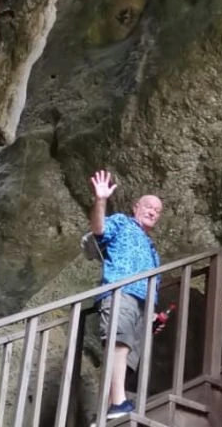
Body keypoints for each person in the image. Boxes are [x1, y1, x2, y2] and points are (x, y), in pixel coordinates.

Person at [88, 169, 162, 419]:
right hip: (121, 292)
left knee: (129, 356)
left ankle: (110, 408)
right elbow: (99, 229)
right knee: (119, 343)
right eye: (148, 206)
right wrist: (101, 200)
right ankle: (118, 403)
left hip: (143, 304)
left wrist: (152, 312)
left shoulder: (152, 250)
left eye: (157, 210)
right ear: (135, 207)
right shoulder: (121, 222)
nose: (153, 211)